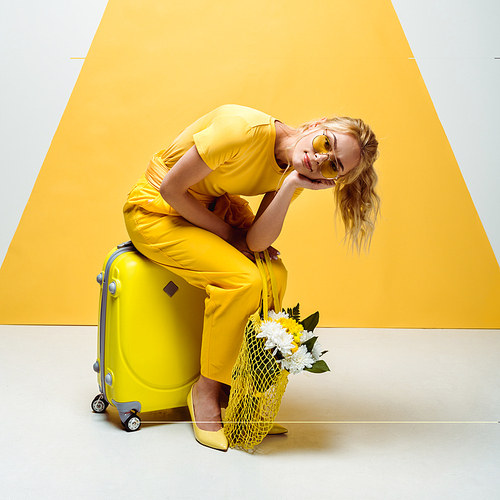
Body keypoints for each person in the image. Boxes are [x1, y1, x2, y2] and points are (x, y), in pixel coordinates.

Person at [123, 104, 380, 451]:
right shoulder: (240, 130)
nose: (320, 160)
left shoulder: (298, 167)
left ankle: (239, 390)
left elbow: (259, 241)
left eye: (334, 165)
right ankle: (206, 391)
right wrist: (230, 235)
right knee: (242, 280)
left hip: (208, 211)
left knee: (274, 272)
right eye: (325, 144)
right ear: (316, 125)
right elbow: (171, 189)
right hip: (158, 210)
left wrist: (289, 185)